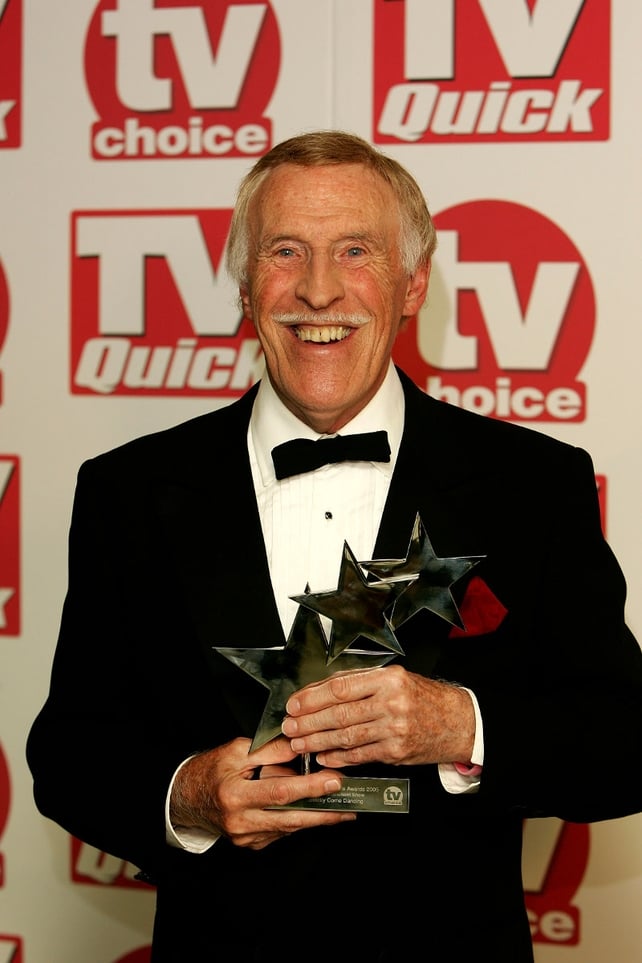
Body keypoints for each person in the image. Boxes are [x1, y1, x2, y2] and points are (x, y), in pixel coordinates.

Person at [27, 130, 642, 962]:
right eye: (286, 251)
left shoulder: (530, 484)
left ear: (412, 280)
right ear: (246, 283)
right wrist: (189, 794)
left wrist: (460, 725)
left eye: (355, 250)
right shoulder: (128, 489)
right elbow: (71, 752)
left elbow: (621, 740)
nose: (318, 290)